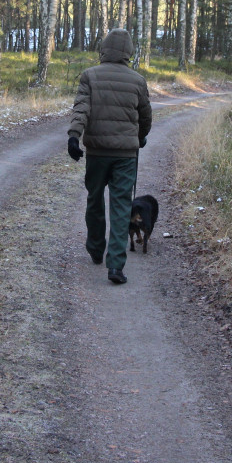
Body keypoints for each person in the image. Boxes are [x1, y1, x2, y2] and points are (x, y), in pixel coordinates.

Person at [67, 28, 152, 285]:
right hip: (126, 155)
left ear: (104, 49)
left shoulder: (89, 76)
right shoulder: (138, 81)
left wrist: (74, 135)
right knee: (121, 207)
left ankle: (95, 248)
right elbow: (146, 117)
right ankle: (116, 266)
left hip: (96, 152)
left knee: (94, 199)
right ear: (128, 52)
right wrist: (140, 137)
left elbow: (81, 108)